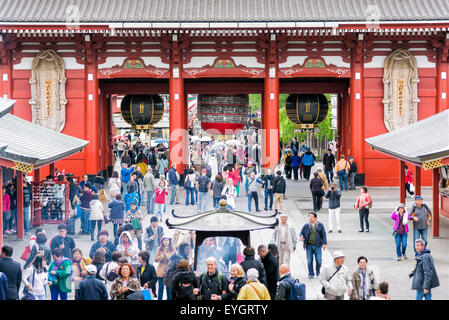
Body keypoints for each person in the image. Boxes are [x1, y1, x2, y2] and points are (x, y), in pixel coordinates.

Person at [300, 212, 327, 279]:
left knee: (319, 260)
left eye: (311, 216)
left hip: (317, 245)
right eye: (309, 216)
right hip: (309, 245)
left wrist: (324, 243)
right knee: (309, 261)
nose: (310, 218)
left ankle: (318, 270)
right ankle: (311, 273)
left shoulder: (320, 225)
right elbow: (301, 233)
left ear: (315, 218)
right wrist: (301, 237)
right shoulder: (306, 225)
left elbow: (323, 234)